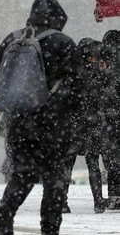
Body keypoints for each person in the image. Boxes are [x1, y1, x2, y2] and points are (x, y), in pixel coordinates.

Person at [0, 0, 79, 235]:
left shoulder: (12, 39)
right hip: (54, 127)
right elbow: (78, 87)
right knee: (55, 181)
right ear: (57, 18)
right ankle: (49, 228)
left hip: (19, 124)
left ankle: (7, 209)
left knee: (23, 174)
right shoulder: (63, 43)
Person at [63, 38, 114, 213]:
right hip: (92, 124)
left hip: (73, 124)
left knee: (67, 165)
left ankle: (62, 201)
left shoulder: (71, 72)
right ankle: (98, 201)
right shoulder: (98, 74)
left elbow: (67, 98)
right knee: (93, 164)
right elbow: (104, 97)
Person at [101, 29, 120, 211]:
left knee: (113, 159)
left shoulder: (107, 66)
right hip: (112, 115)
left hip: (111, 119)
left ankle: (115, 195)